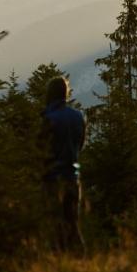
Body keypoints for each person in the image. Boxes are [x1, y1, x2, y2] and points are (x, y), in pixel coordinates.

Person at [42, 75, 86, 252]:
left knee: (54, 225)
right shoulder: (78, 117)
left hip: (53, 179)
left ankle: (59, 264)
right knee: (72, 223)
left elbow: (40, 150)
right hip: (73, 177)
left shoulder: (47, 118)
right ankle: (80, 262)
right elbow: (80, 145)